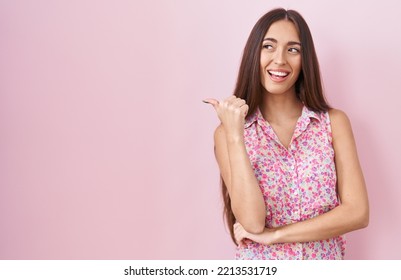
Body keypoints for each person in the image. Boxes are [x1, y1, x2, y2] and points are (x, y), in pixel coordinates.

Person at [203, 8, 369, 260]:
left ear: (305, 60)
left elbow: (357, 212)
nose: (279, 59)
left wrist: (277, 234)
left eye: (293, 49)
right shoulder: (228, 134)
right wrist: (235, 135)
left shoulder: (333, 123)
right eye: (268, 46)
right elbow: (252, 222)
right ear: (253, 53)